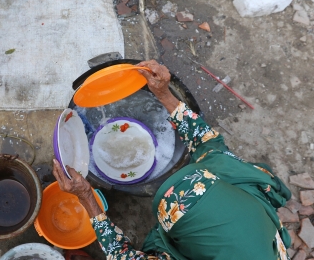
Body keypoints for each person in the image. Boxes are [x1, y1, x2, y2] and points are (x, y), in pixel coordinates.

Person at [52, 60, 290, 260]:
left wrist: (86, 196)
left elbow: (121, 254)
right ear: (216, 178)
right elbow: (206, 142)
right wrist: (163, 93)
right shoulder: (241, 179)